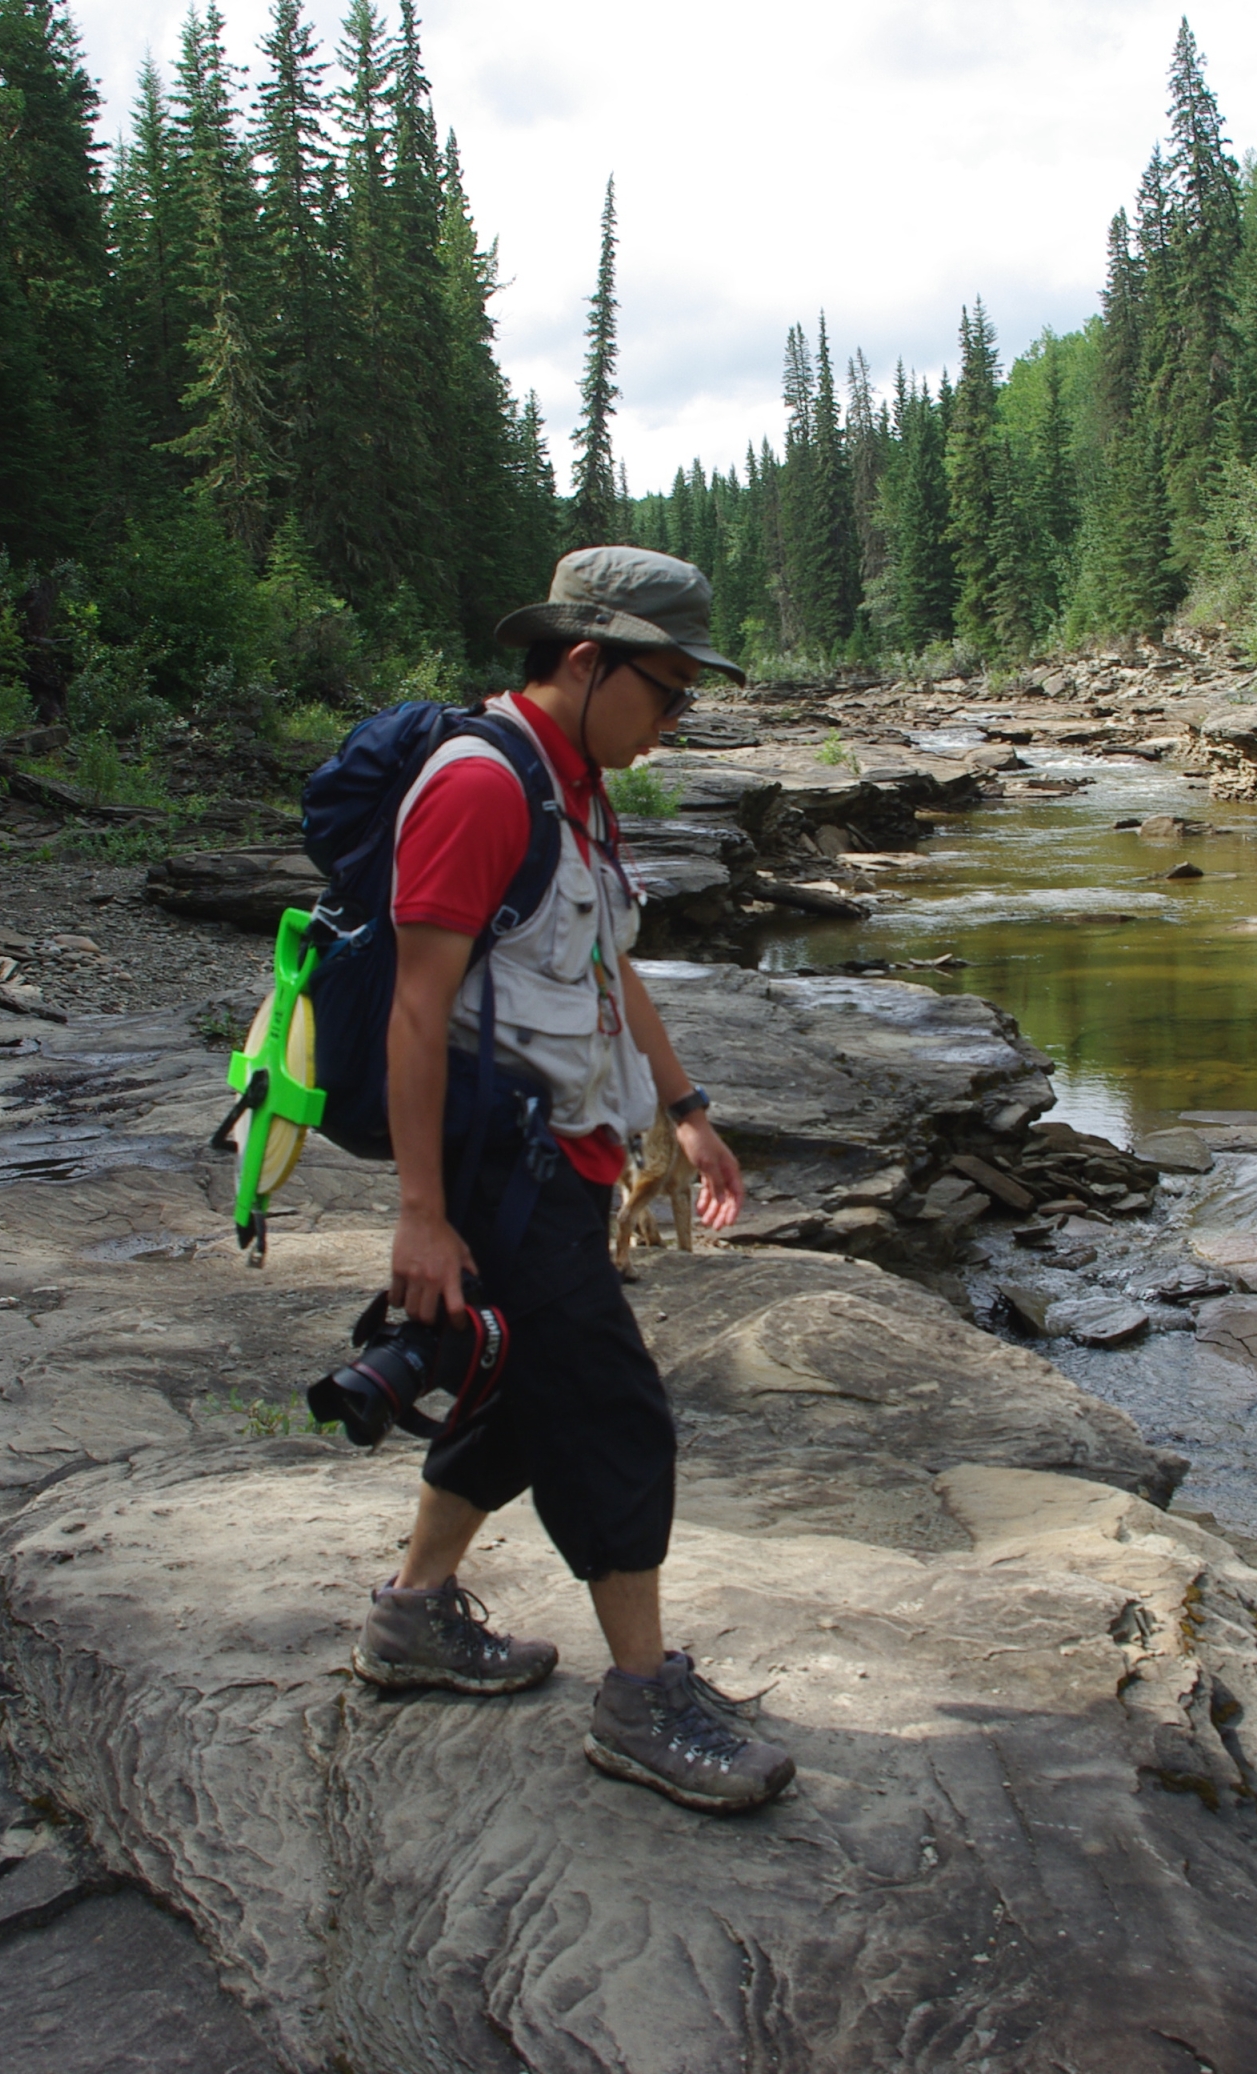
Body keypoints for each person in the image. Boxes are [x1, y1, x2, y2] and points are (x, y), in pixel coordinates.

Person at [352, 545, 797, 1814]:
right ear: (587, 660)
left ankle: (414, 1613)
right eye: (665, 690)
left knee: (514, 1387)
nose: (674, 720)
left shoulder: (577, 789)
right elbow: (415, 1013)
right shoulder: (483, 788)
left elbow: (610, 965)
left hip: (568, 1157)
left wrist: (686, 1108)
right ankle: (642, 1698)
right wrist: (421, 1216)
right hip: (505, 1169)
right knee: (611, 1412)